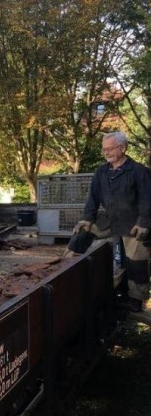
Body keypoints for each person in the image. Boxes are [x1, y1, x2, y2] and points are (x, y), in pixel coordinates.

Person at [66, 131, 151, 312]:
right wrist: (87, 219)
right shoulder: (101, 172)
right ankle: (63, 273)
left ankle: (136, 300)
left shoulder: (139, 171)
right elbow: (92, 198)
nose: (106, 153)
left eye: (110, 149)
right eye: (104, 149)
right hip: (110, 220)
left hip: (133, 222)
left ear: (122, 148)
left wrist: (144, 222)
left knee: (136, 261)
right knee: (81, 234)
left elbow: (147, 199)